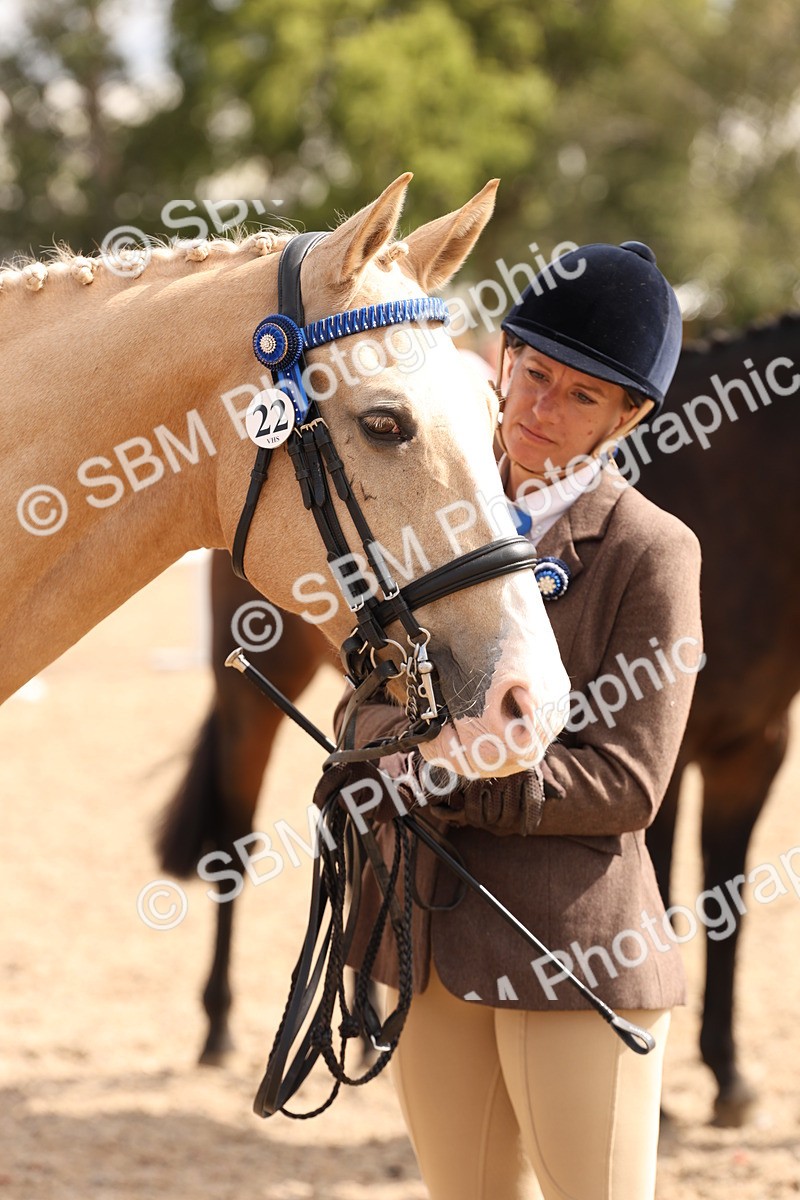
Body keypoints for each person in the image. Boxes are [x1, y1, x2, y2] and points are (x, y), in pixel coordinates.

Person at [315, 241, 702, 1200]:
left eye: (579, 397)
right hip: (429, 939)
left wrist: (441, 773)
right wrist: (376, 754)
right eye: (533, 374)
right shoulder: (433, 519)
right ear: (501, 357)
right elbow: (362, 696)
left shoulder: (651, 551)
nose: (538, 408)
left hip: (574, 951)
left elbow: (629, 782)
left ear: (629, 417)